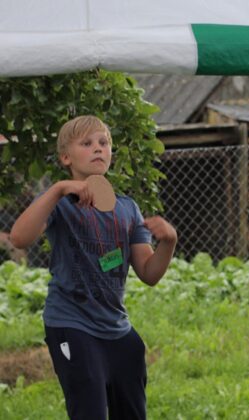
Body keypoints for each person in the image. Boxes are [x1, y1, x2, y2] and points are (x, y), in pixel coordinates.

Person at [10, 115, 177, 420]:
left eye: (103, 143)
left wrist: (169, 241)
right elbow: (19, 237)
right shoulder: (60, 203)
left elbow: (149, 273)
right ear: (66, 157)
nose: (98, 148)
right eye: (86, 143)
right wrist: (59, 189)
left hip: (117, 329)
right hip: (72, 325)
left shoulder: (128, 209)